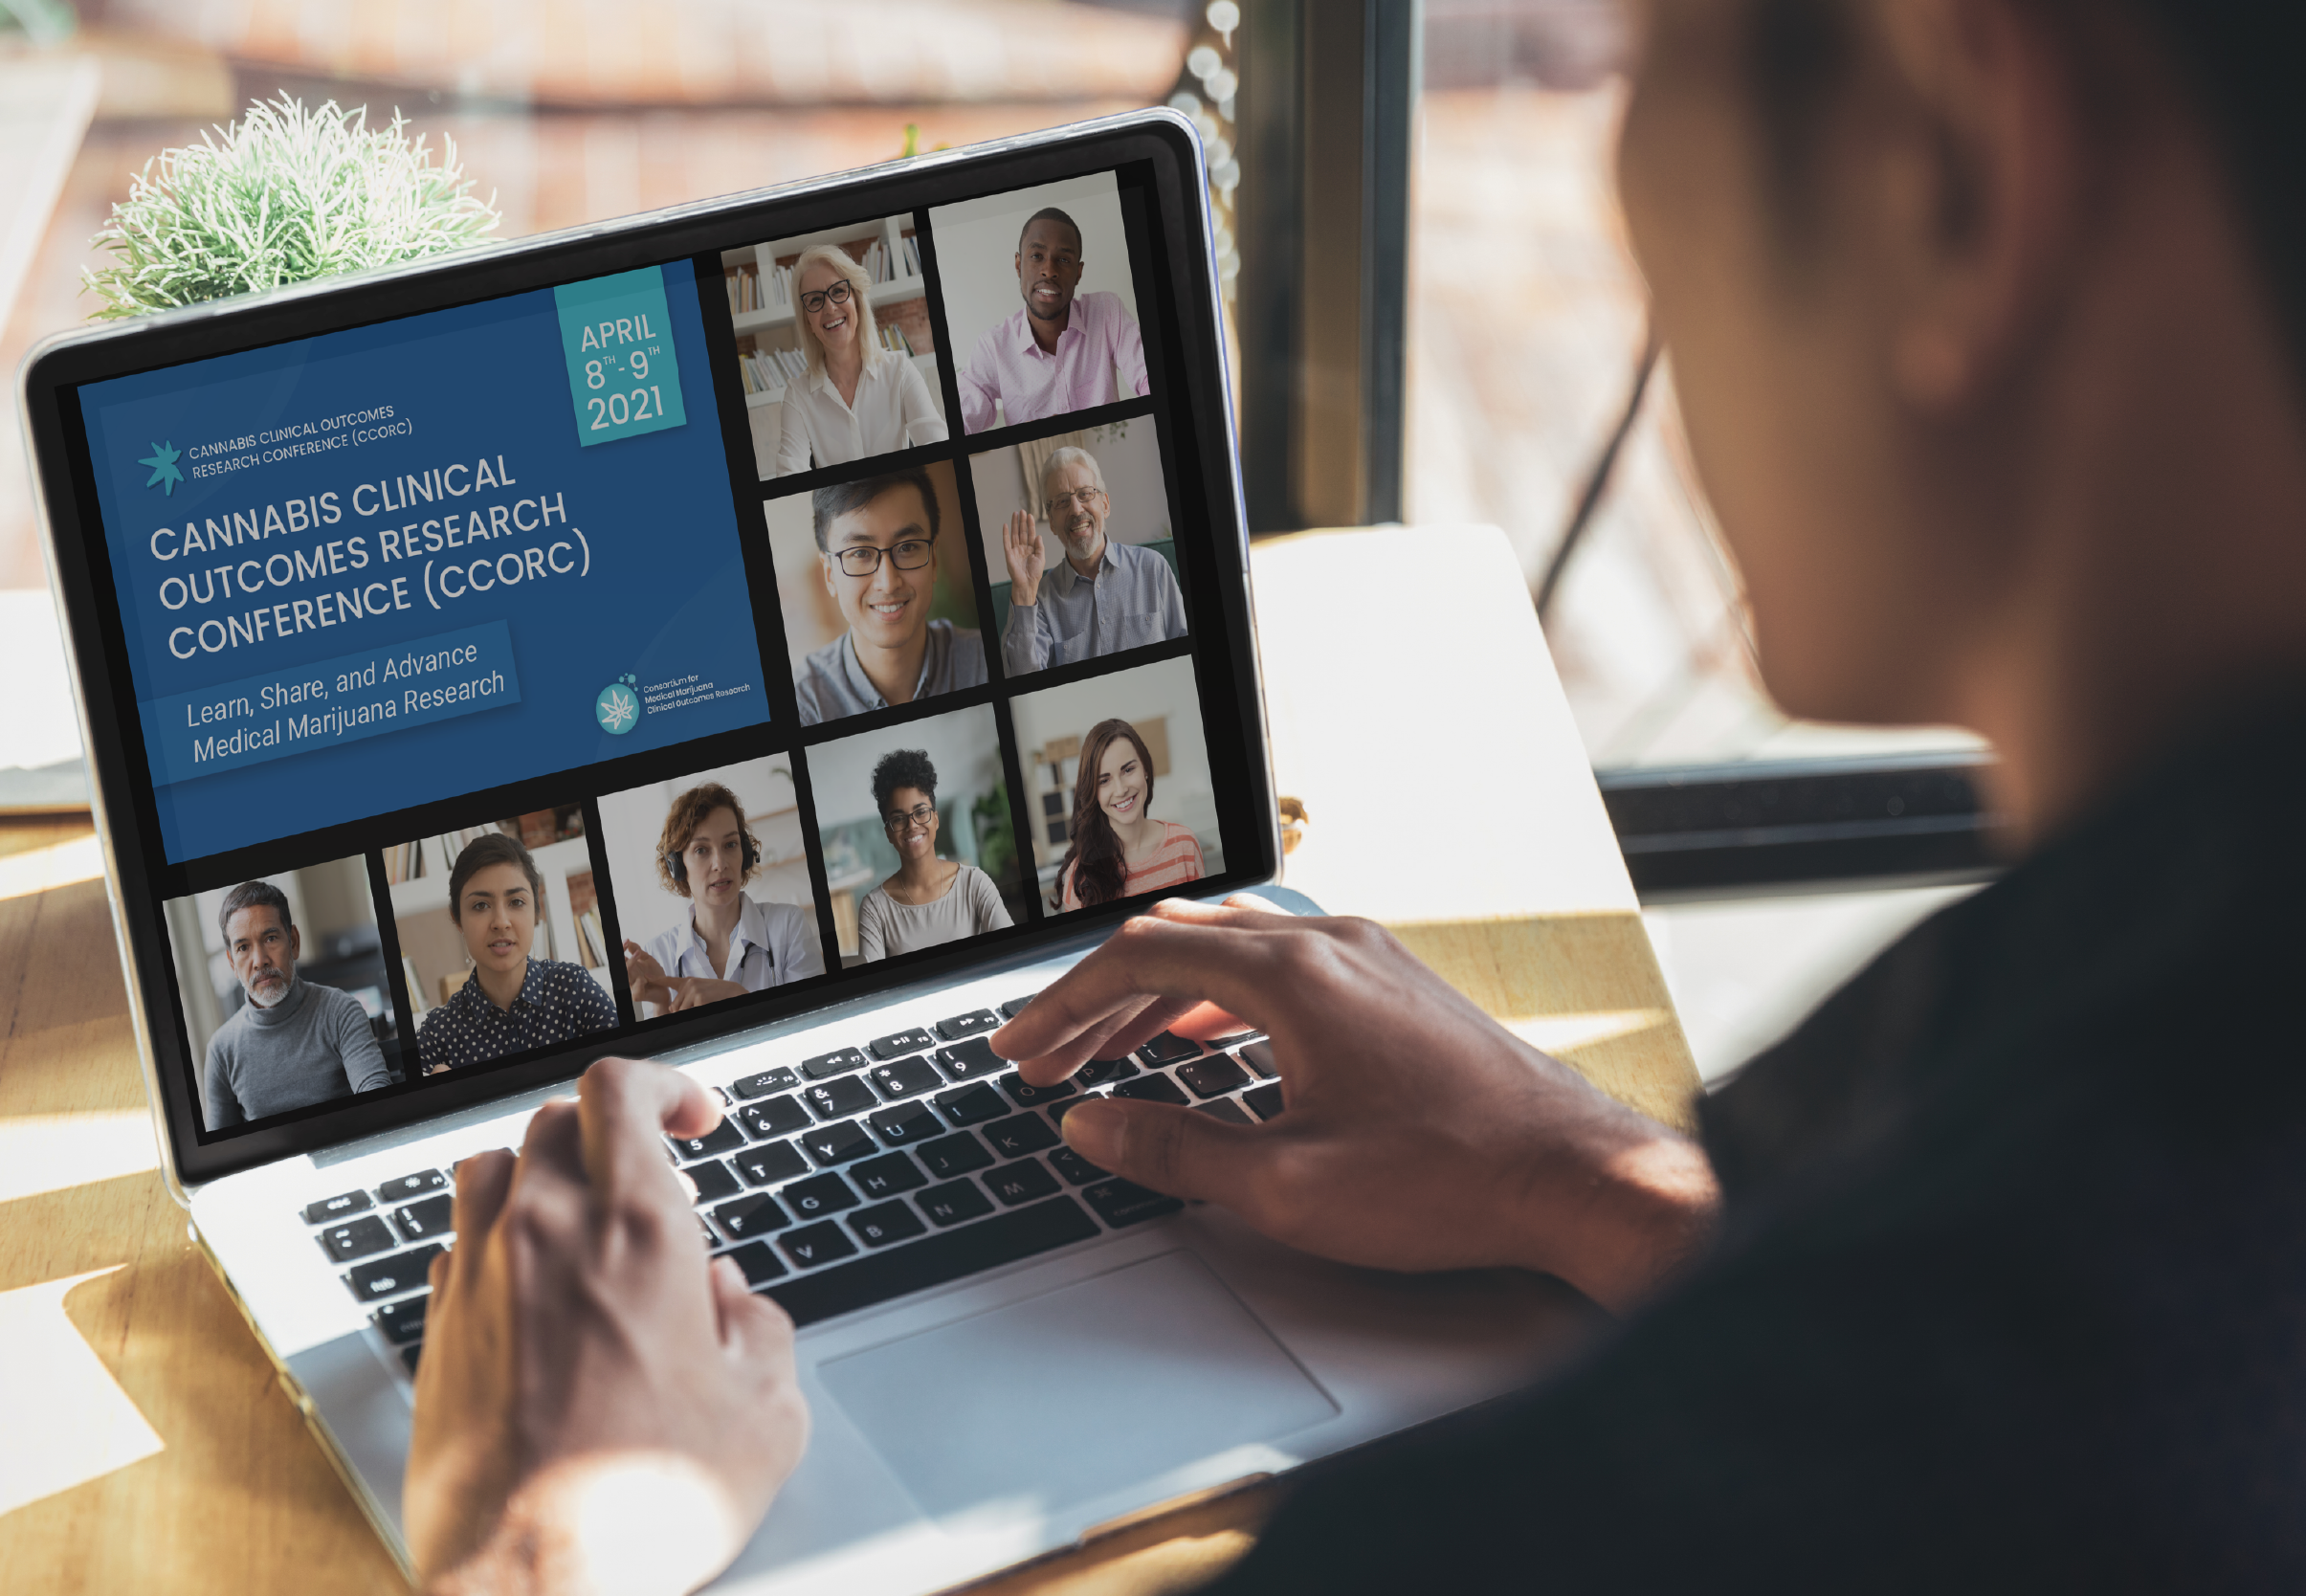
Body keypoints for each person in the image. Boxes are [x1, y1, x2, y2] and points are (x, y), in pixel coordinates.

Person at [405, 0, 2306, 1588]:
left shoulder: (1604, 1523)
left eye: (1642, 53)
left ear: (1950, 171)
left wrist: (560, 1538)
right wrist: (1590, 1182)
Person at [790, 469, 989, 725]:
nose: (888, 582)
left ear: (934, 561)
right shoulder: (805, 706)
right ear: (829, 575)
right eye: (860, 553)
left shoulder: (984, 662)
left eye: (907, 547)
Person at [414, 832, 617, 1073]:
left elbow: (628, 1073)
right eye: (481, 905)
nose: (501, 922)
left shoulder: (575, 989)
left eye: (516, 902)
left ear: (536, 912)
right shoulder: (438, 1033)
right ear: (457, 920)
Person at [201, 879, 389, 1129]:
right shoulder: (221, 1051)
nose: (259, 960)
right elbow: (221, 1156)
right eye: (244, 947)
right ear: (232, 963)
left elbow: (380, 1105)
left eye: (270, 938)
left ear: (294, 941)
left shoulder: (341, 1012)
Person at [624, 782, 822, 1012]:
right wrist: (661, 1004)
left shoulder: (788, 925)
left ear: (745, 854)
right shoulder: (658, 954)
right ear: (677, 866)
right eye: (701, 850)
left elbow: (817, 1026)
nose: (720, 864)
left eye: (730, 844)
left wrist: (740, 997)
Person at [955, 207, 1150, 432]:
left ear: (1079, 272)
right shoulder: (992, 347)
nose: (1049, 270)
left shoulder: (1107, 313)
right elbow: (962, 423)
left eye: (1064, 260)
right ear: (1018, 265)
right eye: (1037, 256)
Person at [1001, 445, 1187, 676]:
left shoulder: (1153, 568)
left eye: (1085, 494)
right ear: (1051, 522)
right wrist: (1023, 593)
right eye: (1062, 502)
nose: (1076, 509)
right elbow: (1022, 682)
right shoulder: (1040, 599)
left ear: (1105, 504)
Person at [767, 243, 946, 478]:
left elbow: (941, 452)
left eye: (839, 291)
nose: (830, 307)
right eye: (814, 301)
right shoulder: (797, 396)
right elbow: (789, 478)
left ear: (857, 301)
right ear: (807, 321)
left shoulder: (899, 370)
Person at [854, 747, 1015, 962]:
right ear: (888, 833)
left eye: (921, 812)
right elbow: (873, 990)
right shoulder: (874, 909)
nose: (912, 825)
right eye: (899, 818)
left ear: (936, 819)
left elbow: (1014, 954)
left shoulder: (974, 883)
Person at [1053, 718, 1203, 911]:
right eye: (1104, 780)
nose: (1121, 789)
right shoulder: (1081, 874)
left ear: (1146, 770)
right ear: (1093, 792)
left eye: (1128, 770)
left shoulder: (1184, 844)